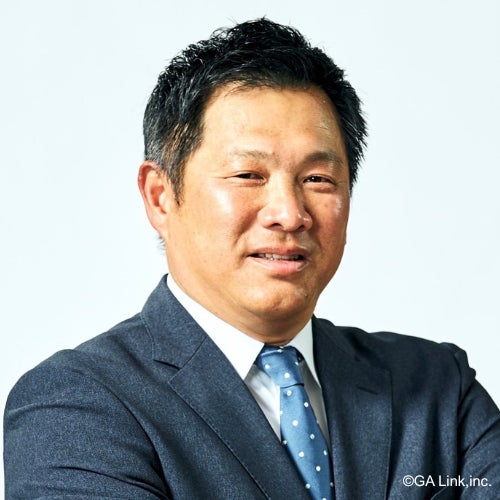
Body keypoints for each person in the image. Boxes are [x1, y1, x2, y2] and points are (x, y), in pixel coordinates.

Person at [4, 18, 499, 499]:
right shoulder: (76, 406)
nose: (289, 214)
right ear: (160, 197)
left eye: (318, 179)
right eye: (248, 175)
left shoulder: (438, 388)